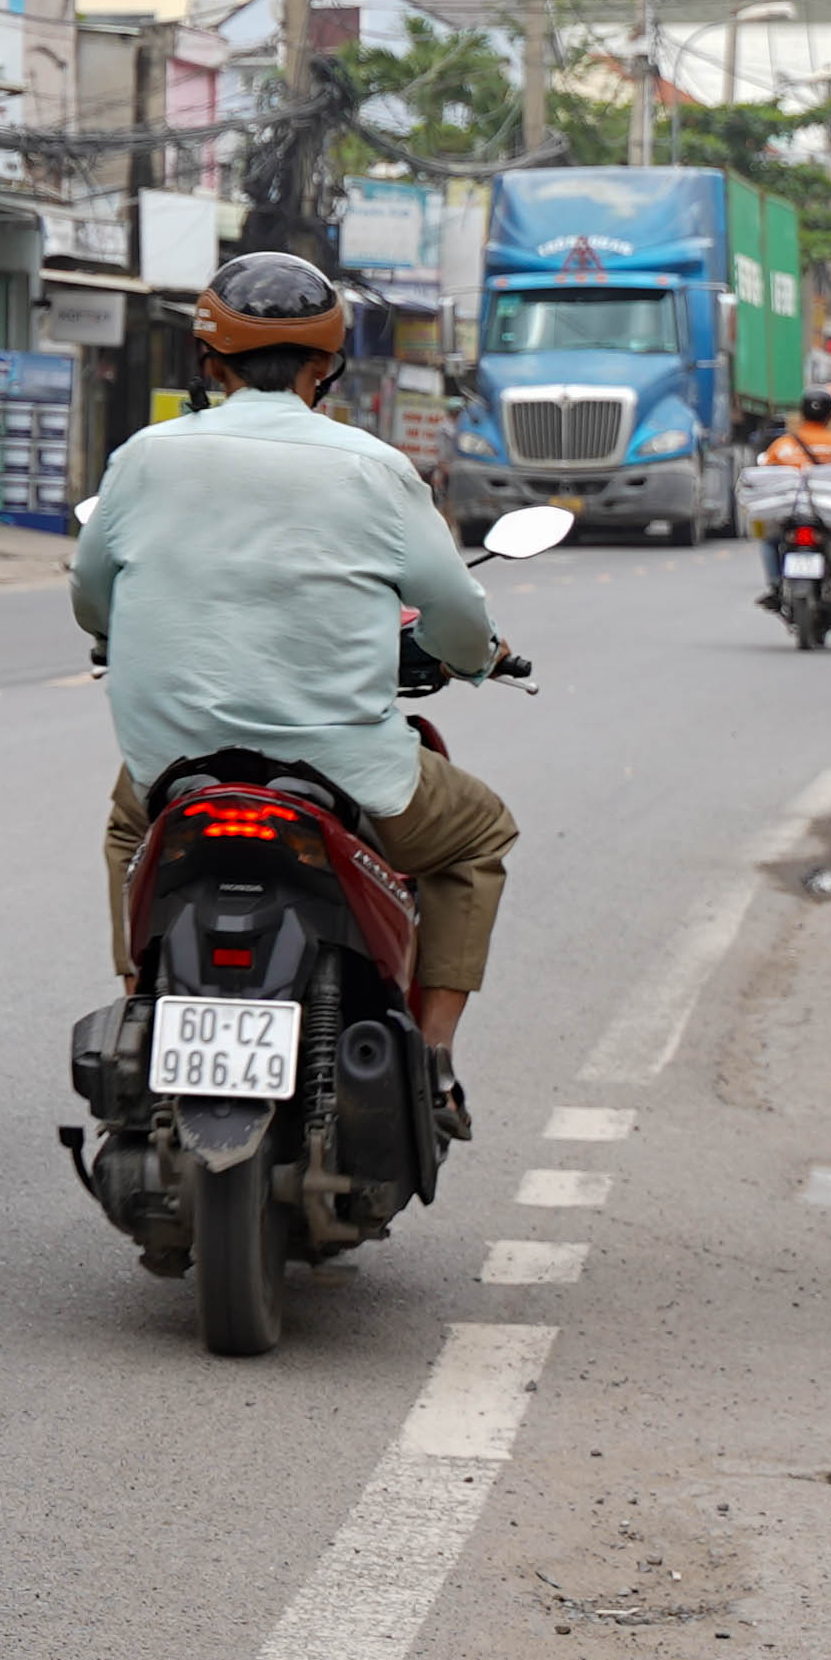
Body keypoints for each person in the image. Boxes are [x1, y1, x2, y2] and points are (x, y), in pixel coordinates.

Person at [76, 253, 521, 1065]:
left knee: (124, 827)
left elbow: (90, 598)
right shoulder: (374, 467)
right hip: (346, 774)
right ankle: (432, 1055)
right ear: (327, 365)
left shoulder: (141, 457)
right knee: (477, 831)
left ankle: (141, 1001)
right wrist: (482, 657)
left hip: (176, 770)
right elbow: (456, 615)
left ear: (208, 363)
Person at [756, 384, 831, 616]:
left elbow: (766, 479)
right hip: (830, 515)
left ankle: (775, 585)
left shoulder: (783, 445)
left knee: (768, 539)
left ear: (801, 414)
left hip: (790, 513)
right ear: (830, 415)